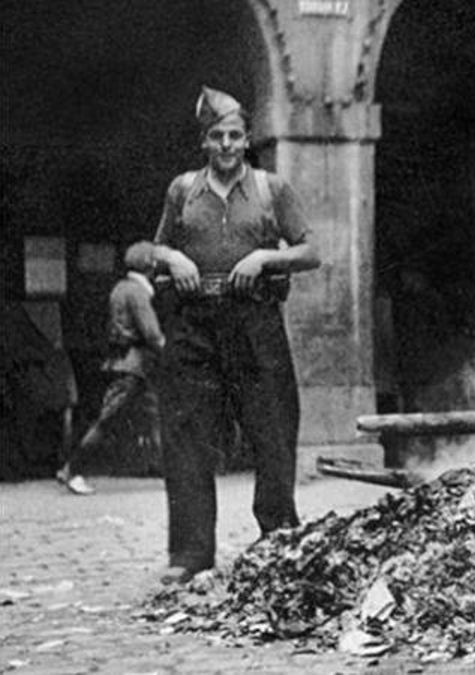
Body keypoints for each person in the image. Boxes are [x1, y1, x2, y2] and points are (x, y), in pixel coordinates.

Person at [151, 86, 320, 584]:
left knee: (271, 430)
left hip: (255, 321)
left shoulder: (272, 189)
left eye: (235, 136)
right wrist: (172, 257)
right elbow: (149, 249)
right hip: (194, 324)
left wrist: (267, 257)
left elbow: (310, 251)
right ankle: (189, 554)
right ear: (204, 143)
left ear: (248, 140)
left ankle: (278, 541)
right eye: (216, 137)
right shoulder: (182, 190)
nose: (226, 145)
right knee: (187, 437)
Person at [57, 242, 164, 495]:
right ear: (149, 265)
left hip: (128, 364)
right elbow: (151, 332)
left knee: (156, 416)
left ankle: (173, 472)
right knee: (109, 420)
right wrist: (168, 349)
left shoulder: (120, 288)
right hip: (135, 366)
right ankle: (72, 469)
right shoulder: (138, 292)